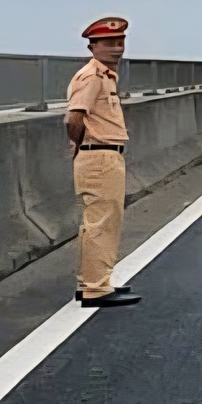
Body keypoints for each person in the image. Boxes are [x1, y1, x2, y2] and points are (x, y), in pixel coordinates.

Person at [65, 16, 140, 308]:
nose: (117, 49)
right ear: (93, 46)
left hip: (105, 154)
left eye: (120, 42)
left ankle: (97, 282)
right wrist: (79, 143)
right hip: (99, 155)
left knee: (104, 223)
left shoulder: (105, 76)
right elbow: (74, 117)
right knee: (100, 223)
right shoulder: (91, 77)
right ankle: (95, 288)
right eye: (109, 43)